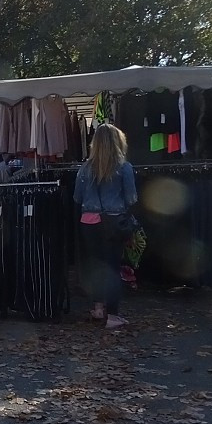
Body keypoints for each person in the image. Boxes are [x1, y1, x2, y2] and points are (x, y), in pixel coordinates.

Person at [73, 123, 137, 330]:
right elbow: (131, 198)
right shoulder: (124, 167)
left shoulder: (85, 168)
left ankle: (98, 307)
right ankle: (113, 315)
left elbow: (77, 197)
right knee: (112, 268)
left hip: (89, 222)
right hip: (113, 222)